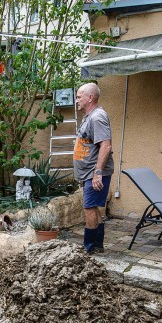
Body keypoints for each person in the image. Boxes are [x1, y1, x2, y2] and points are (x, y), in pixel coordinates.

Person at [73, 83, 114, 254]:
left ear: (90, 98)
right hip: (89, 173)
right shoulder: (89, 116)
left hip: (94, 173)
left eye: (79, 97)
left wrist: (97, 173)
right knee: (94, 207)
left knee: (89, 207)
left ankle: (88, 248)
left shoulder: (97, 117)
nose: (76, 101)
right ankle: (97, 245)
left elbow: (106, 145)